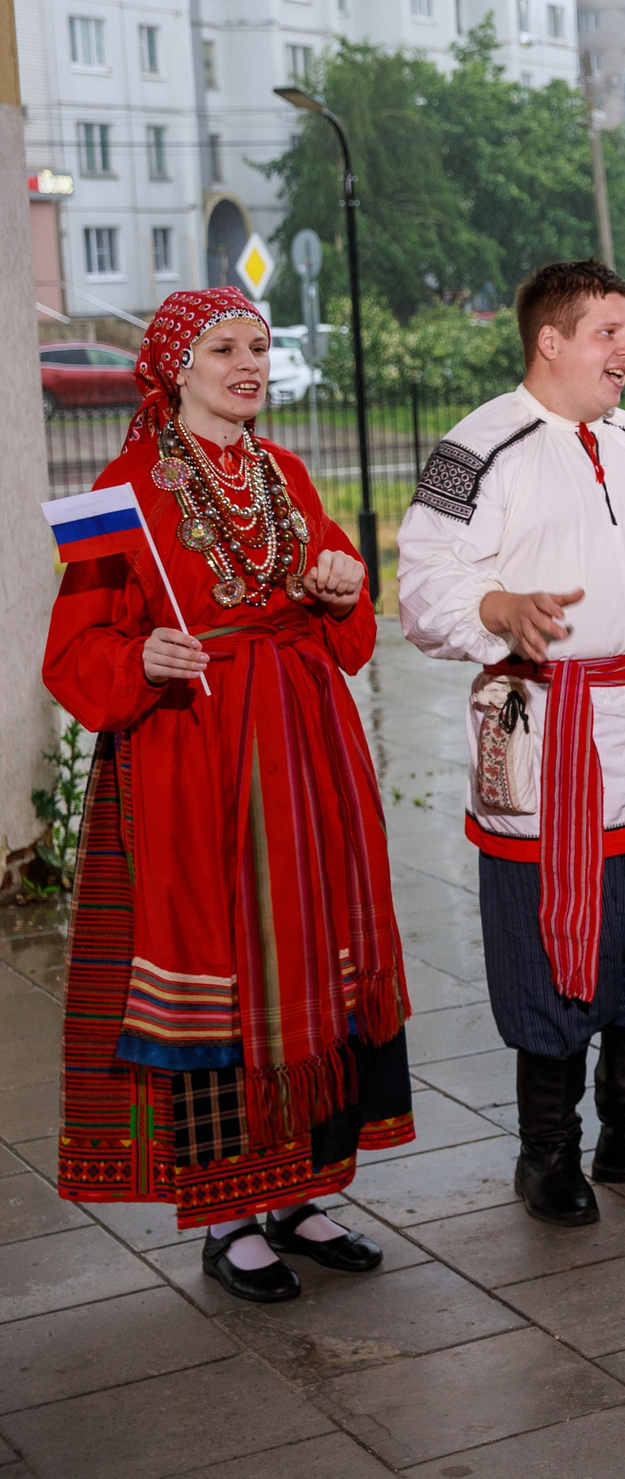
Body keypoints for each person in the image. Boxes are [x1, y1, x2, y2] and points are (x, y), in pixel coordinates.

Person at [45, 286, 412, 1303]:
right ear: (174, 368)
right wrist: (141, 656)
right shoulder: (122, 490)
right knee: (230, 974)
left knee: (317, 960)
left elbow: (343, 607)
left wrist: (342, 589)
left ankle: (301, 1194)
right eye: (223, 349)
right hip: (197, 754)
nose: (248, 364)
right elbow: (74, 650)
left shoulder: (284, 472)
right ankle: (229, 1218)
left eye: (259, 345)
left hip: (308, 749)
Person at [397, 260, 625, 1229]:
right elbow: (421, 584)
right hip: (541, 729)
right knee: (546, 946)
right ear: (550, 340)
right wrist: (499, 606)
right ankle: (546, 1152)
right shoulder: (478, 448)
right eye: (607, 331)